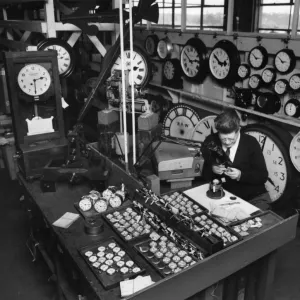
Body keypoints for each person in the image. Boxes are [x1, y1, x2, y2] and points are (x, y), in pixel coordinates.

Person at [202, 109, 270, 210]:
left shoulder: (251, 143)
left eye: (231, 139)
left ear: (238, 130)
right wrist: (212, 168)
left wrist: (240, 175)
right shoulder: (211, 141)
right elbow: (204, 174)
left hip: (254, 197)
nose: (227, 142)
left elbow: (262, 176)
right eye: (223, 139)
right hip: (226, 197)